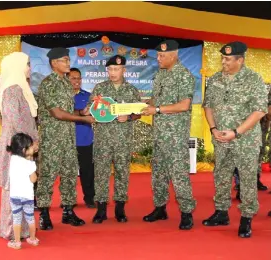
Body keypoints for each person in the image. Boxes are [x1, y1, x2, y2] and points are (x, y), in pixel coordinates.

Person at [202, 41, 268, 238]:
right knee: (221, 175)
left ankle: (246, 218)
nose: (223, 62)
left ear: (240, 60)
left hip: (245, 140)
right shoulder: (215, 79)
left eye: (228, 59)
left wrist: (236, 132)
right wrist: (213, 128)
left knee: (247, 178)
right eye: (222, 58)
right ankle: (221, 212)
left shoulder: (254, 79)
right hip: (221, 138)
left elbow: (259, 111)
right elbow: (208, 106)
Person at [36, 47, 94, 230]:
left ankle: (68, 211)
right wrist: (82, 119)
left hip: (69, 138)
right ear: (54, 64)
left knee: (69, 175)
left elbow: (68, 112)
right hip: (52, 139)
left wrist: (83, 112)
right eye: (64, 60)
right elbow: (57, 113)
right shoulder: (48, 84)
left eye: (68, 59)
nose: (68, 63)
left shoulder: (66, 84)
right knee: (48, 176)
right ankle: (44, 214)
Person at [141, 40, 196, 230]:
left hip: (175, 135)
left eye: (162, 56)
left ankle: (187, 212)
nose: (158, 59)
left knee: (178, 174)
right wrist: (143, 105)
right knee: (158, 173)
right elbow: (156, 98)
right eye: (157, 55)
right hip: (159, 134)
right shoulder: (160, 75)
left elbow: (184, 105)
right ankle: (160, 208)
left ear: (174, 55)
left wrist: (155, 109)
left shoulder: (184, 76)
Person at [86, 55, 141, 224]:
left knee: (122, 173)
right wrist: (91, 111)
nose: (113, 72)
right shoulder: (99, 89)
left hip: (123, 140)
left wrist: (130, 117)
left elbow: (139, 112)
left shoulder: (131, 90)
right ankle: (101, 209)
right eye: (110, 69)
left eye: (116, 69)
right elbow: (91, 109)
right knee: (101, 173)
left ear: (124, 70)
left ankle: (120, 208)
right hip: (103, 139)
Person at [0, 52, 39, 240]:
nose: (29, 68)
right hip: (18, 146)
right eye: (27, 64)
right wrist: (30, 144)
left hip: (22, 145)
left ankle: (19, 229)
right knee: (13, 187)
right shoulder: (13, 89)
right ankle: (9, 230)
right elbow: (15, 120)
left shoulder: (20, 88)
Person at [67, 68, 96, 208]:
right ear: (67, 79)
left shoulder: (89, 96)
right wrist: (81, 114)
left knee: (88, 172)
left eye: (79, 78)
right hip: (67, 140)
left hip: (85, 139)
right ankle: (68, 200)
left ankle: (90, 198)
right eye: (73, 78)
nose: (77, 81)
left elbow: (95, 115)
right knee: (69, 172)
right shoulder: (63, 96)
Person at [6, 133, 39, 250]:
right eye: (31, 146)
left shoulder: (13, 159)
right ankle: (33, 239)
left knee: (17, 219)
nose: (33, 147)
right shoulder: (30, 164)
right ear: (25, 150)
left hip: (15, 196)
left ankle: (17, 241)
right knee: (30, 218)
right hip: (28, 197)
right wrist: (32, 162)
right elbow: (33, 179)